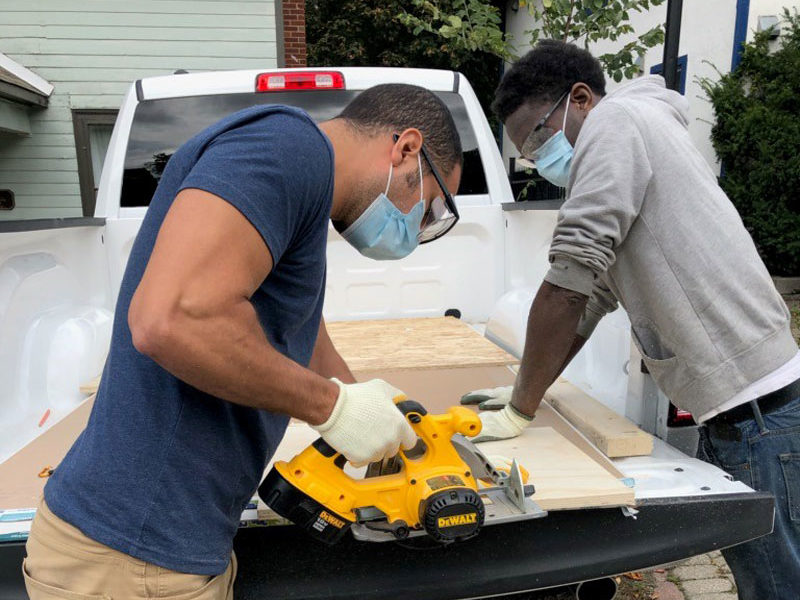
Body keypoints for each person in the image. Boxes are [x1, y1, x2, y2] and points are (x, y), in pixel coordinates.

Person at [23, 83, 462, 600]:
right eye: (428, 205)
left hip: (164, 546)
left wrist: (375, 409)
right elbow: (172, 319)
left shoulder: (306, 186)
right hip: (132, 557)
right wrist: (333, 407)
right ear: (406, 149)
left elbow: (296, 326)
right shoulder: (284, 147)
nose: (415, 227)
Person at [462, 40, 800, 599]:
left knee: (775, 586)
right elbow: (591, 297)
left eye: (539, 139)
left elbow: (569, 278)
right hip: (747, 408)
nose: (538, 159)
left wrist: (522, 407)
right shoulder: (638, 126)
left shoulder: (615, 124)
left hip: (757, 413)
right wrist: (526, 388)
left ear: (580, 99)